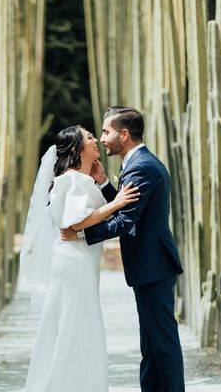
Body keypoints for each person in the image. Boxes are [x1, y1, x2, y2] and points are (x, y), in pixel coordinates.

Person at [62, 106, 185, 392]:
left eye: (106, 131)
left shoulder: (141, 166)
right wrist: (105, 182)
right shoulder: (138, 162)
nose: (103, 138)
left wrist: (79, 233)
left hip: (154, 267)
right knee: (152, 346)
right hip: (150, 267)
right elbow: (125, 206)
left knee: (162, 345)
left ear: (124, 134)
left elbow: (124, 221)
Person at [20, 125, 140, 392]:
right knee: (76, 325)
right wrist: (116, 203)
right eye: (88, 137)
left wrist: (100, 182)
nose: (96, 139)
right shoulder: (72, 179)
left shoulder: (77, 178)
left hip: (76, 260)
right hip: (74, 263)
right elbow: (77, 221)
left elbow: (75, 224)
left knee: (71, 324)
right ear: (76, 149)